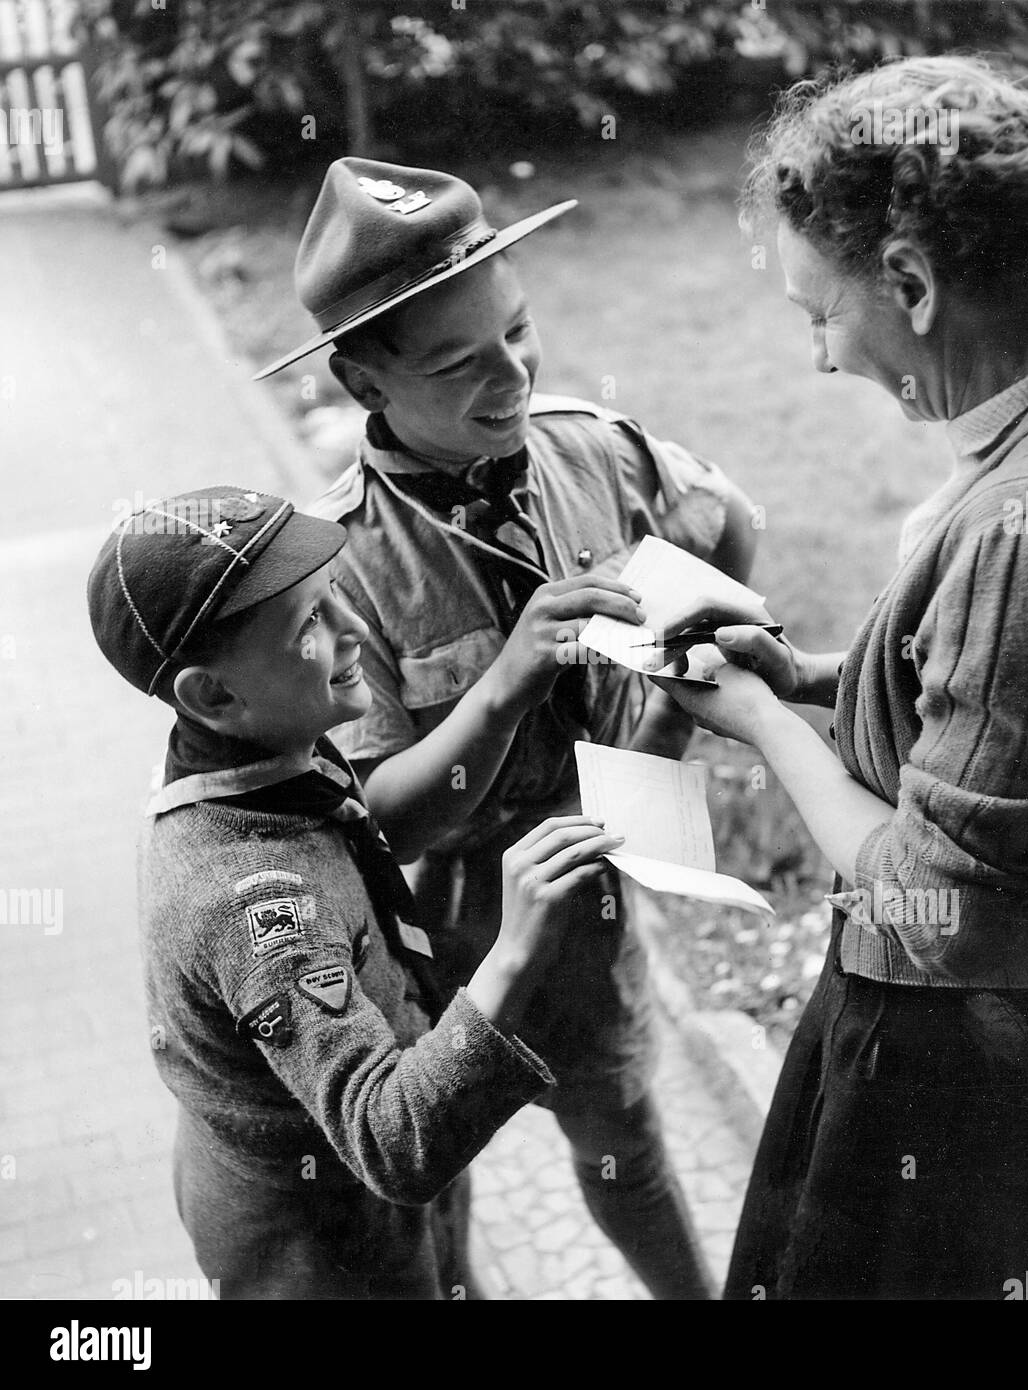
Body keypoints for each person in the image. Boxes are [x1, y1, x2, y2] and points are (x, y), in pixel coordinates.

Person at [656, 56, 1028, 1300]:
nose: (817, 356)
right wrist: (813, 676)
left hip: (967, 1065)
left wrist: (754, 717)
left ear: (909, 281)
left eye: (820, 312)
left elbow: (935, 900)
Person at [254, 158, 759, 1299]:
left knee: (623, 1147)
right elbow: (380, 818)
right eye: (457, 362)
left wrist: (657, 748)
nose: (513, 375)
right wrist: (509, 680)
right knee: (434, 1175)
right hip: (428, 945)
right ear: (360, 379)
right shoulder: (333, 566)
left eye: (520, 332)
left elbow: (731, 530)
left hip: (591, 901)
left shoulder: (596, 448)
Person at [86, 485, 627, 1299]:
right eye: (308, 621)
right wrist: (515, 950)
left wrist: (502, 693)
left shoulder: (249, 754)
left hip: (351, 1186)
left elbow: (358, 836)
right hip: (325, 1249)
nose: (350, 630)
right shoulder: (255, 904)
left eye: (334, 593)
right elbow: (395, 1142)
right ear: (214, 695)